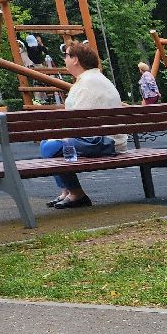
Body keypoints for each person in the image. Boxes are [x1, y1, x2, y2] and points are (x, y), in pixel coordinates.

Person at [40, 42, 126, 210]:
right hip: (106, 138)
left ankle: (76, 193)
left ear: (75, 60)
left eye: (66, 55)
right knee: (49, 144)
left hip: (104, 142)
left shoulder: (87, 83)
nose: (64, 59)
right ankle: (67, 191)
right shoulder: (94, 79)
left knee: (49, 147)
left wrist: (61, 134)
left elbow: (79, 120)